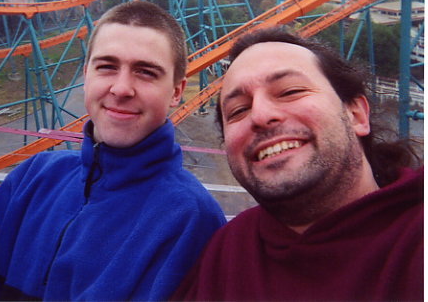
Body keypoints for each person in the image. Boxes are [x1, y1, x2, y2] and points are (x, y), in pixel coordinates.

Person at [0, 1, 226, 301]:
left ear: (176, 91)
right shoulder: (34, 176)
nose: (121, 88)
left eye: (146, 72)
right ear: (86, 75)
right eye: (107, 67)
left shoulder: (190, 218)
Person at [171, 26, 423, 301]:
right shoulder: (227, 251)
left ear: (356, 114)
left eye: (290, 91)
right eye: (238, 110)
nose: (261, 115)